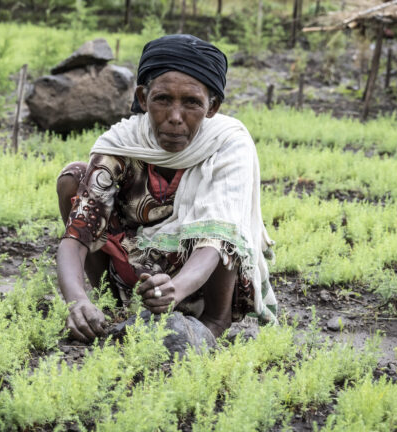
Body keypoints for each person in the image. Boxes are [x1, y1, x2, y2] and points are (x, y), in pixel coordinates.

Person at [56, 34, 278, 343]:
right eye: (162, 100)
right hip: (137, 267)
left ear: (212, 107)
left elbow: (214, 240)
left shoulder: (227, 145)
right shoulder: (122, 143)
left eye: (191, 103)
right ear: (143, 98)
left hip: (199, 273)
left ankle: (215, 320)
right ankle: (109, 302)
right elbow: (77, 234)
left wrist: (177, 289)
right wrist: (76, 300)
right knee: (75, 177)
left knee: (228, 229)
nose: (175, 117)